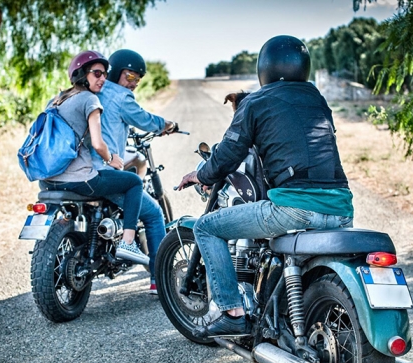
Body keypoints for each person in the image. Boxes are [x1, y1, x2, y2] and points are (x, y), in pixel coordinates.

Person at [177, 36, 354, 337]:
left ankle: (232, 313)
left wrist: (202, 175)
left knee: (206, 227)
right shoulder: (317, 100)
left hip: (293, 209)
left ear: (265, 68)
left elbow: (228, 155)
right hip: (342, 209)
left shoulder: (256, 101)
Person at [39, 50, 149, 266]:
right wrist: (111, 159)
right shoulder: (90, 99)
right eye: (97, 73)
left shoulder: (57, 99)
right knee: (134, 182)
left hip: (48, 179)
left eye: (105, 74)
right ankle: (127, 242)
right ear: (82, 74)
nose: (103, 79)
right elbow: (98, 144)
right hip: (80, 179)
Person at [92, 49, 177, 294]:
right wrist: (167, 125)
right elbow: (144, 119)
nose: (133, 84)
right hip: (103, 170)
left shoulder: (93, 91)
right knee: (153, 213)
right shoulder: (120, 97)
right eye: (129, 77)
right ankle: (160, 279)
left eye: (137, 80)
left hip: (80, 170)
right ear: (117, 72)